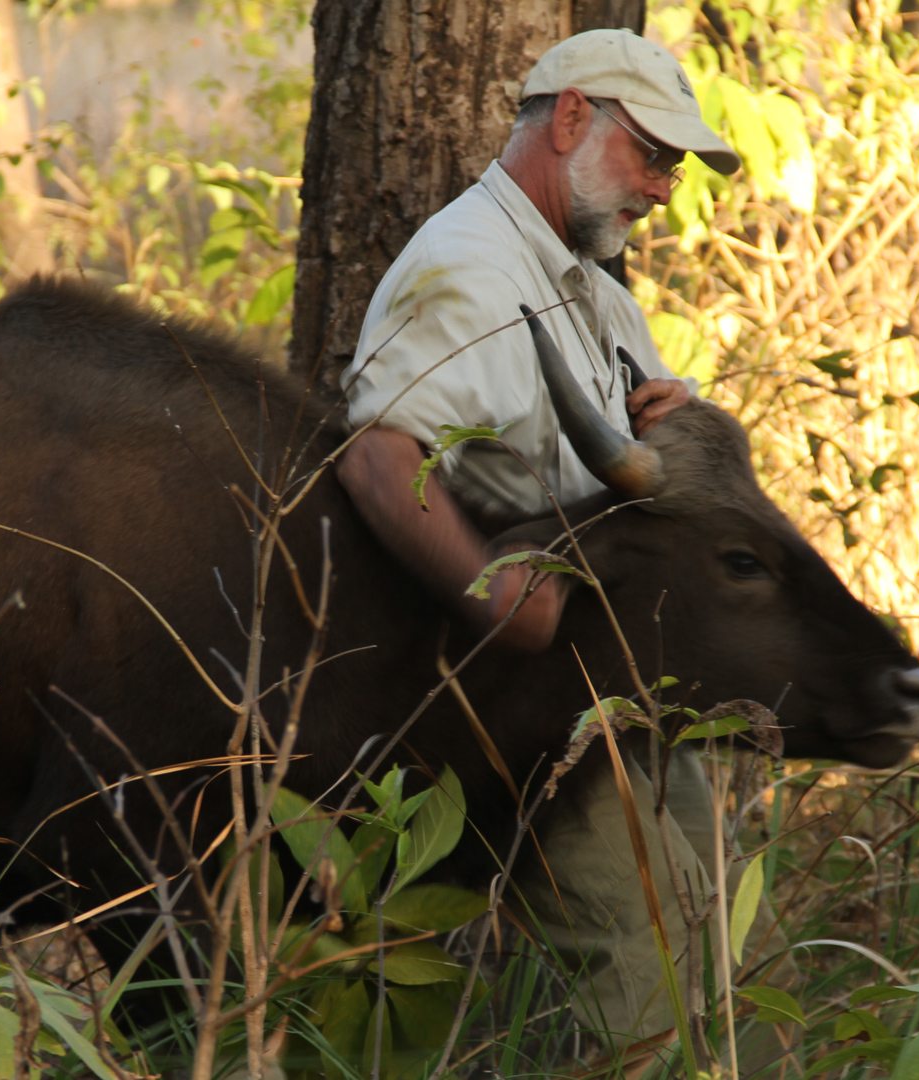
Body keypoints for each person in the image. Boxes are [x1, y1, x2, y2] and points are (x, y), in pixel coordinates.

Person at [335, 28, 791, 1065]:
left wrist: (675, 428)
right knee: (652, 975)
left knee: (724, 944)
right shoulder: (469, 270)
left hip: (609, 696)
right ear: (572, 117)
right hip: (509, 703)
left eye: (677, 166)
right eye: (652, 154)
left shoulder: (592, 283)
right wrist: (500, 597)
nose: (665, 187)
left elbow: (612, 477)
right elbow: (375, 456)